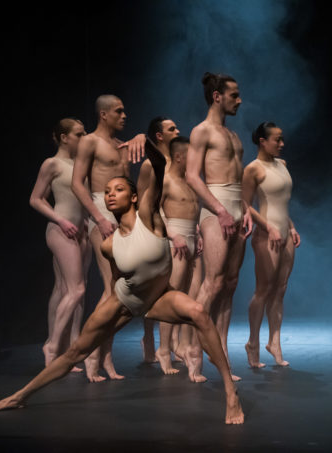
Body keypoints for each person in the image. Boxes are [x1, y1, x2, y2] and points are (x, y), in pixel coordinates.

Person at [0, 139, 244, 425]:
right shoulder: (109, 245)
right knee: (75, 352)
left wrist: (146, 139)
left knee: (199, 313)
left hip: (159, 298)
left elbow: (158, 166)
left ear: (134, 197)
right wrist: (116, 305)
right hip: (126, 299)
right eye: (106, 192)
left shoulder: (150, 217)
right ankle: (20, 395)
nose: (110, 195)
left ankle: (231, 394)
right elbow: (122, 280)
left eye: (118, 189)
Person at [71, 94, 145, 382]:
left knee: (121, 292)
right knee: (110, 289)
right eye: (119, 111)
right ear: (103, 114)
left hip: (124, 216)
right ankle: (91, 355)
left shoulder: (121, 146)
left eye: (125, 111)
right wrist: (99, 218)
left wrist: (141, 136)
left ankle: (106, 357)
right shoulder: (90, 142)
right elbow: (77, 184)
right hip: (101, 214)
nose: (124, 115)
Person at [186, 73, 252, 381]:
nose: (239, 100)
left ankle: (222, 355)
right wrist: (220, 210)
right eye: (234, 95)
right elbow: (192, 176)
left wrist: (246, 211)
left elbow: (238, 183)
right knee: (211, 283)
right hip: (216, 212)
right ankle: (193, 354)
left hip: (237, 211)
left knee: (230, 284)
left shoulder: (235, 137)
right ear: (217, 96)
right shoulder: (202, 132)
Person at [29, 118, 91, 370]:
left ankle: (69, 346)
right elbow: (35, 199)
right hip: (60, 230)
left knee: (68, 288)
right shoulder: (52, 164)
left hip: (81, 231)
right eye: (79, 133)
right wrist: (61, 220)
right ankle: (52, 345)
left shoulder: (81, 164)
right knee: (75, 289)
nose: (84, 137)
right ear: (64, 137)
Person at [242, 122, 300, 367]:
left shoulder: (282, 165)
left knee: (281, 289)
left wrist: (292, 226)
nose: (282, 144)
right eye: (277, 140)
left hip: (285, 232)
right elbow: (244, 205)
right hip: (267, 235)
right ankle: (252, 343)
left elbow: (282, 203)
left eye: (282, 139)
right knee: (263, 290)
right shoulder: (253, 169)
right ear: (262, 141)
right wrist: (268, 227)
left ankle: (274, 342)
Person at [160, 136, 205, 380]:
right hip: (174, 240)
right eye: (190, 154)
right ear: (179, 157)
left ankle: (186, 346)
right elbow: (153, 209)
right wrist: (171, 234)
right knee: (172, 295)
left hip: (191, 237)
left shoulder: (191, 181)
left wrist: (197, 232)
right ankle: (163, 350)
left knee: (193, 296)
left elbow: (194, 210)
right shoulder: (166, 180)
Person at [137, 117, 179, 365]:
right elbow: (145, 201)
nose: (178, 131)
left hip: (178, 227)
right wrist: (160, 230)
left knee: (175, 287)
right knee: (156, 288)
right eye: (172, 128)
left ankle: (172, 342)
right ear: (159, 136)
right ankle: (149, 339)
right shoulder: (148, 165)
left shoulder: (178, 161)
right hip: (157, 228)